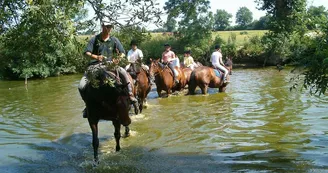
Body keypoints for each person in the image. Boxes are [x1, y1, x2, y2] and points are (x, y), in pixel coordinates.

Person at [78, 21, 137, 118]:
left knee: (124, 73)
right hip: (95, 65)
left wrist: (118, 59)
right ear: (102, 27)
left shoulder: (114, 40)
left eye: (110, 27)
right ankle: (87, 106)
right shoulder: (95, 39)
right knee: (81, 86)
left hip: (110, 64)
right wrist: (96, 57)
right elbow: (86, 53)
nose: (109, 29)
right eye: (107, 26)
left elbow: (122, 52)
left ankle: (130, 95)